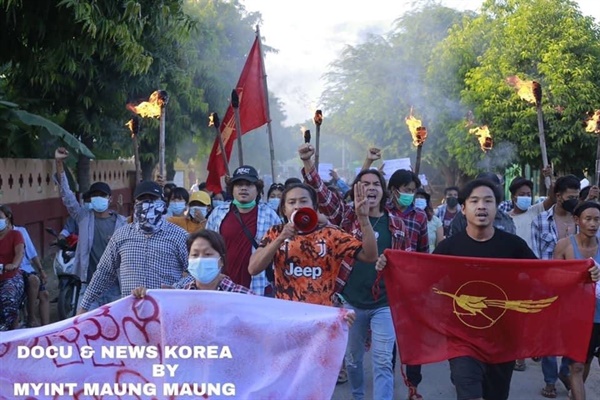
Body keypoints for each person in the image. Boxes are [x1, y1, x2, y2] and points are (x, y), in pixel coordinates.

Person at [300, 143, 409, 400]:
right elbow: (322, 193)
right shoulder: (346, 217)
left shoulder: (397, 224)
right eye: (365, 184)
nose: (371, 188)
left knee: (383, 361)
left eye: (376, 184)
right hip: (350, 302)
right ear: (358, 190)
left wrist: (390, 264)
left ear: (384, 192)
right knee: (353, 359)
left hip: (384, 303)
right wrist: (307, 163)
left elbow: (405, 265)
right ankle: (358, 396)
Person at [248, 182, 378, 305]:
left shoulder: (332, 234)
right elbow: (253, 269)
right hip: (286, 315)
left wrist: (364, 219)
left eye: (303, 201)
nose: (297, 206)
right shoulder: (275, 232)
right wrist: (280, 239)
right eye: (291, 202)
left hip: (322, 315)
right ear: (284, 209)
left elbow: (370, 256)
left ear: (314, 206)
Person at [77, 181, 189, 314]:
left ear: (162, 203)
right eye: (142, 199)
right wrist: (84, 307)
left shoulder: (179, 236)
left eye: (152, 199)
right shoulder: (121, 235)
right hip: (130, 317)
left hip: (166, 313)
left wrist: (176, 289)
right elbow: (103, 273)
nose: (147, 203)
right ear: (135, 204)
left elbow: (195, 274)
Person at [55, 148, 127, 310]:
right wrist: (59, 163)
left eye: (102, 195)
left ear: (110, 199)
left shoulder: (121, 223)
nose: (98, 199)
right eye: (95, 195)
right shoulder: (83, 217)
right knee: (83, 327)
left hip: (115, 287)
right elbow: (67, 195)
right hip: (89, 285)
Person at [531, 174, 581, 398]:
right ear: (558, 196)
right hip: (547, 287)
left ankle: (566, 372)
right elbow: (534, 256)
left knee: (574, 334)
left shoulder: (582, 221)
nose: (574, 200)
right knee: (549, 335)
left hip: (576, 288)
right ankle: (549, 381)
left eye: (577, 196)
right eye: (570, 196)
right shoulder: (540, 221)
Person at [206, 165, 281, 296]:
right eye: (239, 184)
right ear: (232, 189)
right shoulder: (218, 214)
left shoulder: (270, 216)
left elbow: (279, 253)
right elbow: (207, 248)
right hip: (223, 287)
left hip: (258, 288)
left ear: (257, 189)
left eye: (249, 184)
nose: (243, 188)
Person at [553, 202, 600, 400]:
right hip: (575, 317)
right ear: (577, 220)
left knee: (586, 363)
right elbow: (552, 280)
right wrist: (577, 276)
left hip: (599, 315)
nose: (592, 224)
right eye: (588, 219)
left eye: (597, 219)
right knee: (577, 365)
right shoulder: (564, 246)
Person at [133, 229, 252, 296]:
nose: (200, 259)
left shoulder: (243, 297)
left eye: (208, 254)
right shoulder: (180, 297)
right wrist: (143, 300)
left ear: (221, 261)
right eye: (195, 255)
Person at [3, 207, 49, 327]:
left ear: (8, 218)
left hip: (22, 270)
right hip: (4, 271)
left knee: (39, 288)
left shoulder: (19, 233)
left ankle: (36, 320)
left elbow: (29, 253)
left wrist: (41, 270)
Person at [448, 172, 516, 237]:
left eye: (488, 200)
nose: (481, 206)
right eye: (475, 201)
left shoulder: (506, 220)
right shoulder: (460, 219)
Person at [0, 204, 25, 331]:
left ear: (7, 218)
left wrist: (14, 264)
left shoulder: (16, 234)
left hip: (11, 276)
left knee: (8, 297)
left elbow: (19, 253)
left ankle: (11, 329)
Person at [415, 189, 443, 253]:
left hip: (430, 258)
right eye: (416, 197)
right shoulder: (408, 219)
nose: (419, 199)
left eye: (422, 197)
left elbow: (440, 245)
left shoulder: (435, 221)